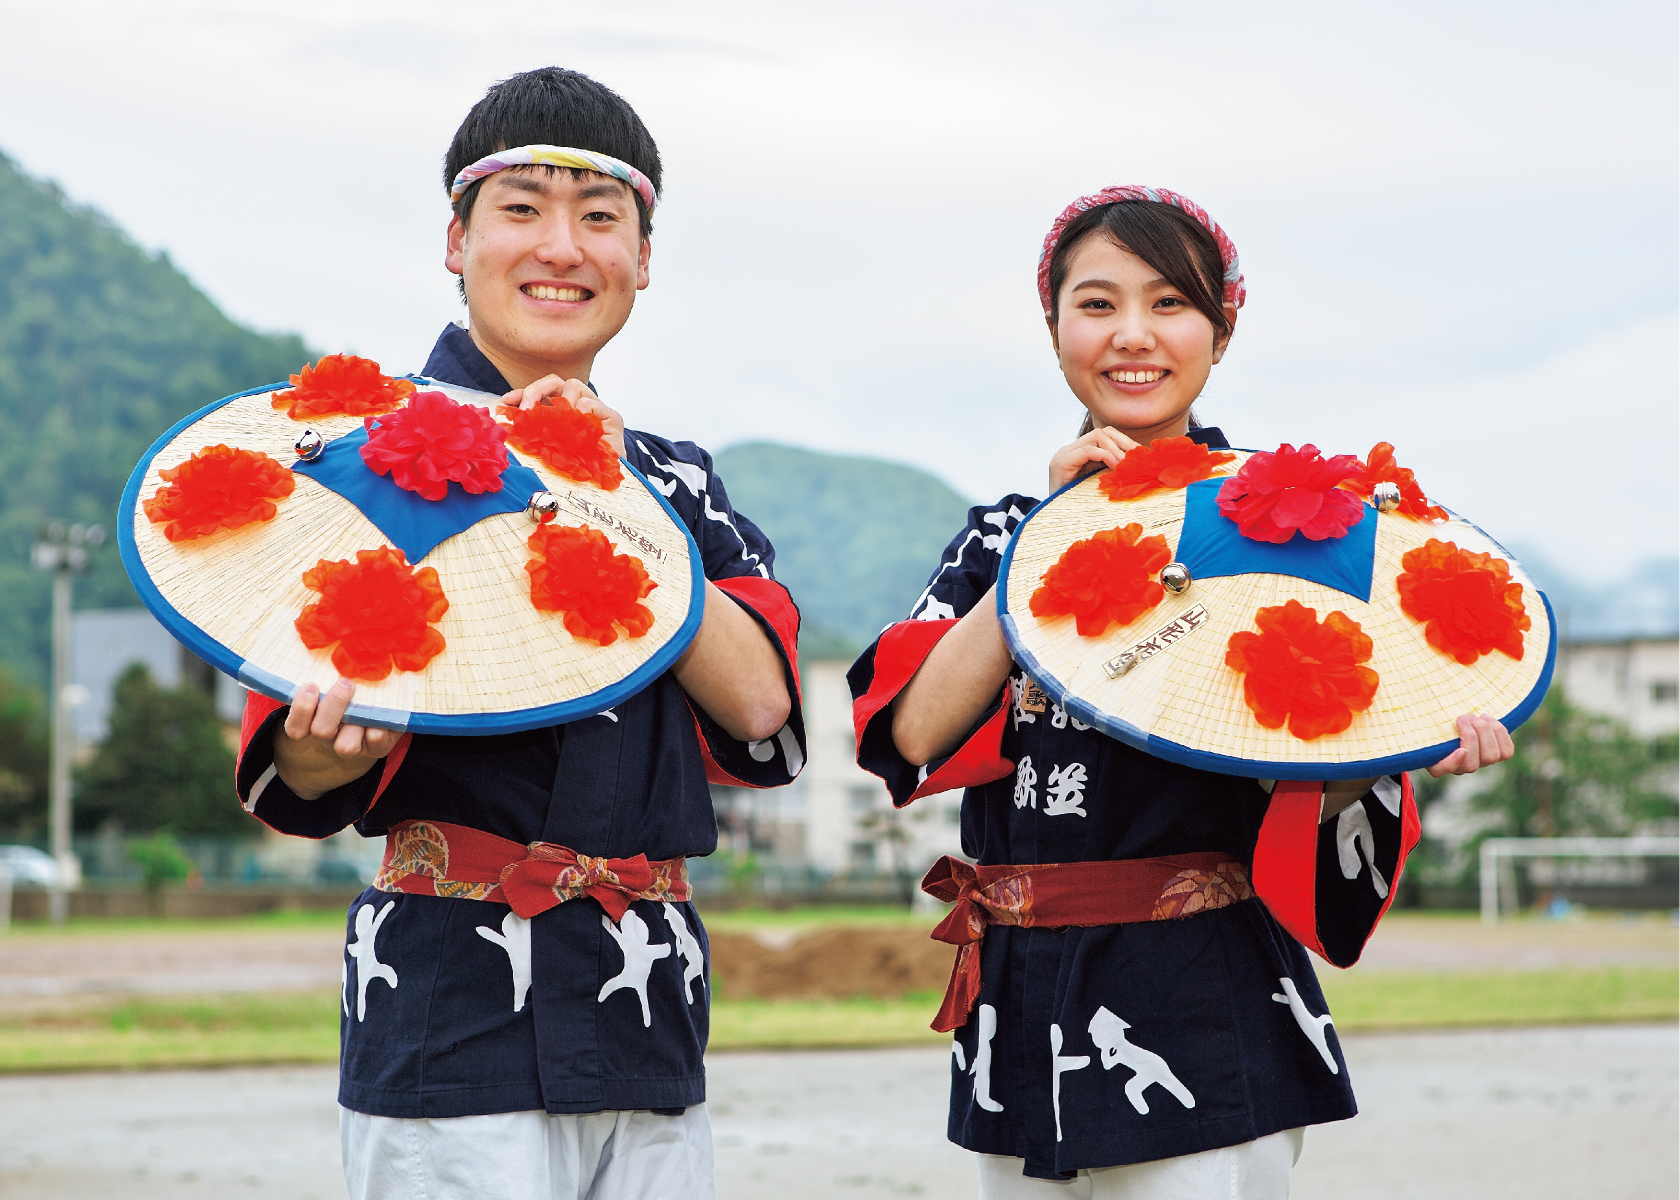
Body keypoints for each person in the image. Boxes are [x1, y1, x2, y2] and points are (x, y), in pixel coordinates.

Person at [848, 186, 1515, 1198]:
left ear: (1222, 328)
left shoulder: (1288, 534)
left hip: (1206, 992)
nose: (1133, 336)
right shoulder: (1003, 533)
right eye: (1098, 303)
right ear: (1054, 325)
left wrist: (1393, 754)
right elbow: (912, 730)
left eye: (1170, 305)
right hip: (1021, 996)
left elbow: (1316, 787)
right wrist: (1051, 538)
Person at [233, 67, 806, 1199]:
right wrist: (319, 743)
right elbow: (291, 762)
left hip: (647, 1005)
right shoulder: (354, 453)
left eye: (602, 219)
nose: (563, 247)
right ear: (456, 237)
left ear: (644, 259)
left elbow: (761, 707)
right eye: (523, 210)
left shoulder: (677, 479)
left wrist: (609, 495)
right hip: (447, 1001)